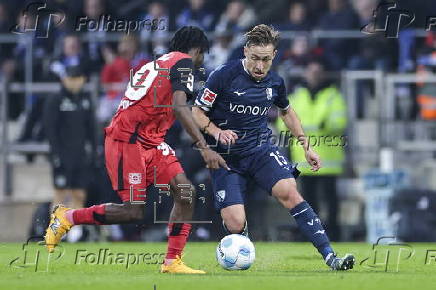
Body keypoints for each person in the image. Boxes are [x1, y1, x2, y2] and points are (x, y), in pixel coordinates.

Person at [44, 26, 228, 274]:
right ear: (197, 50)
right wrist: (203, 147)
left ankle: (172, 261)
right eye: (201, 55)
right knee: (133, 211)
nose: (201, 61)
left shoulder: (158, 63)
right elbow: (179, 105)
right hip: (127, 141)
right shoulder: (183, 61)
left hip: (149, 139)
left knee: (185, 192)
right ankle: (67, 218)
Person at [192, 24, 354, 270]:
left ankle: (331, 257)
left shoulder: (275, 82)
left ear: (274, 56)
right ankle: (241, 244)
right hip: (226, 158)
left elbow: (287, 113)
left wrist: (307, 146)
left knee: (289, 191)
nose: (260, 66)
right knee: (235, 222)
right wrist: (216, 131)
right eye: (255, 58)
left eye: (265, 60)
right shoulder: (223, 76)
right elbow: (196, 111)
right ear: (245, 51)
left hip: (260, 151)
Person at [276, 59, 347, 241]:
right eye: (311, 71)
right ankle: (310, 234)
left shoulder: (332, 95)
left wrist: (304, 127)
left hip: (328, 160)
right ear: (305, 74)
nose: (314, 75)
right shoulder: (297, 96)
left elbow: (340, 122)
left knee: (331, 202)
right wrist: (317, 126)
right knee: (307, 202)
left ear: (323, 74)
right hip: (304, 161)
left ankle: (333, 234)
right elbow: (282, 124)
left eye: (318, 71)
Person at [43, 64, 96, 242]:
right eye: (71, 78)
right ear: (65, 79)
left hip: (80, 155)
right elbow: (50, 129)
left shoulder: (86, 99)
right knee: (60, 192)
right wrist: (55, 154)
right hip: (62, 154)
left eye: (78, 79)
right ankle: (55, 229)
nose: (74, 82)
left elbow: (92, 128)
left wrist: (94, 150)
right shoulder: (55, 99)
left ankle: (75, 232)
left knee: (79, 193)